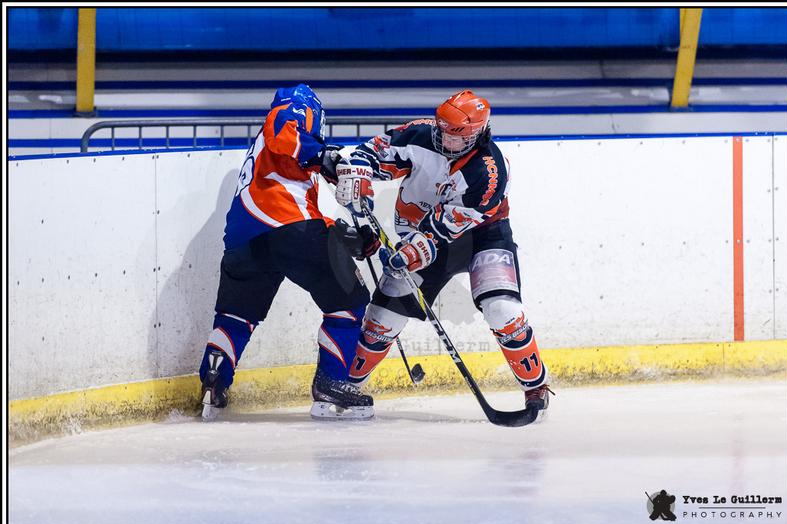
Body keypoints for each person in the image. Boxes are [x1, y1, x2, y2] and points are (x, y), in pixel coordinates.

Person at [333, 90, 553, 421]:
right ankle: (349, 386)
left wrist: (409, 251)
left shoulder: (489, 172)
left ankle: (535, 385)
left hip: (483, 237)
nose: (443, 137)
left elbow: (443, 230)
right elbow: (374, 152)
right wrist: (357, 173)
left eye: (454, 135)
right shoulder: (421, 133)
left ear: (477, 134)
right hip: (422, 232)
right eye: (442, 129)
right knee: (382, 318)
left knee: (502, 309)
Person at [199, 83, 380, 421]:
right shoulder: (297, 105)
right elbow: (284, 132)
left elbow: (303, 213)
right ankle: (331, 387)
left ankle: (213, 385)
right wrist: (324, 155)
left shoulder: (269, 165)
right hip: (285, 227)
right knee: (349, 303)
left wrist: (345, 234)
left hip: (243, 241)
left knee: (237, 316)